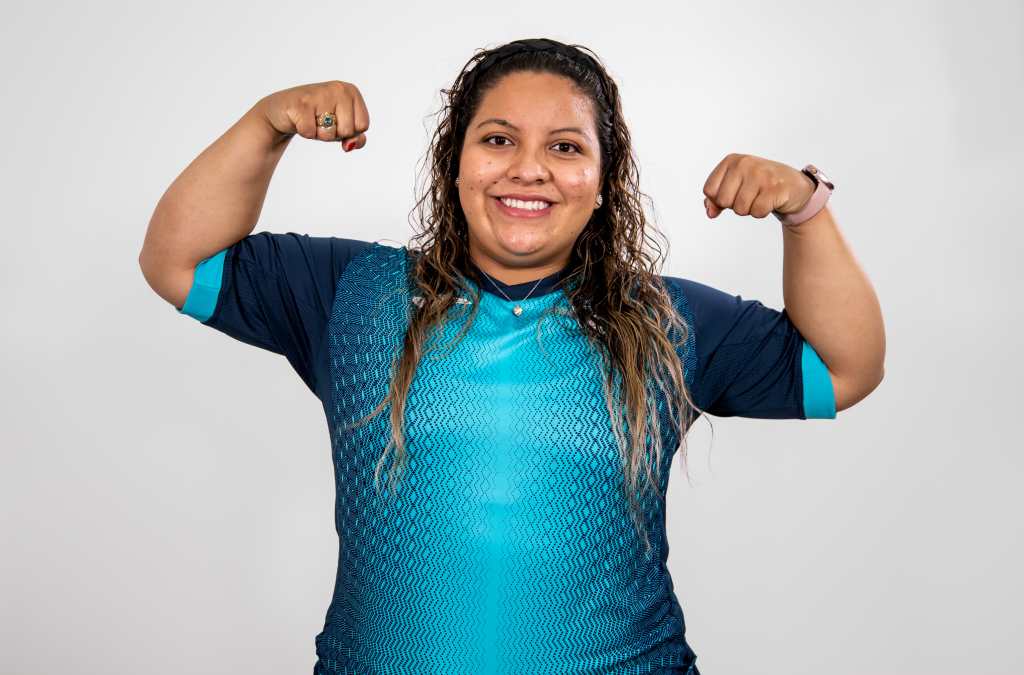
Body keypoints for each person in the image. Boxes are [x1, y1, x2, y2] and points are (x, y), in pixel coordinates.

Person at [140, 37, 884, 675]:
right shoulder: (355, 292)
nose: (529, 169)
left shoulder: (667, 321)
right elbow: (176, 261)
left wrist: (804, 208)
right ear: (455, 163)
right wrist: (268, 121)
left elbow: (845, 368)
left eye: (566, 147)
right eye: (498, 140)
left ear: (603, 182)